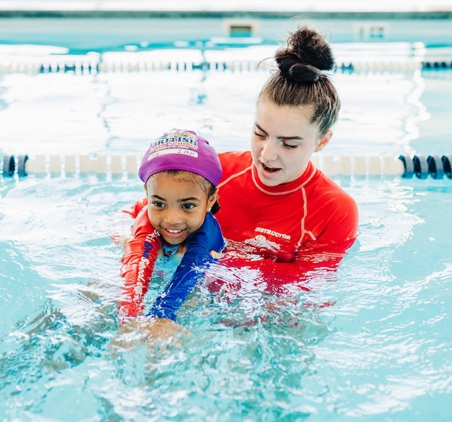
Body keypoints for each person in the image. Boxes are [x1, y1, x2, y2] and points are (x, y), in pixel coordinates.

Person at [214, 25, 358, 285]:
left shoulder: (334, 211)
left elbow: (308, 282)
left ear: (322, 141)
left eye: (289, 144)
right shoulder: (216, 173)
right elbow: (136, 217)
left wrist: (217, 261)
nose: (267, 155)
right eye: (260, 134)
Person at [118, 129, 225, 325]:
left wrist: (162, 318)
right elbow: (131, 285)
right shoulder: (140, 224)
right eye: (159, 204)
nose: (172, 219)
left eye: (187, 206)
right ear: (147, 194)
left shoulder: (207, 242)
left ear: (210, 200)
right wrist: (128, 320)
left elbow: (187, 277)